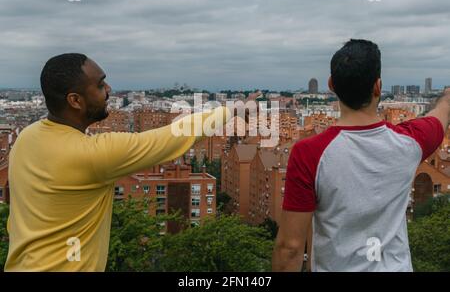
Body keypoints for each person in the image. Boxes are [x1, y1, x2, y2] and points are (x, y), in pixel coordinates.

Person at [5, 53, 232, 271]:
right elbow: (175, 137)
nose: (109, 90)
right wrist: (232, 111)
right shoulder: (92, 155)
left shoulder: (27, 137)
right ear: (75, 100)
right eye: (101, 85)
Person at [272, 39, 449, 272]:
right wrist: (446, 97)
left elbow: (290, 248)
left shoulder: (309, 154)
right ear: (378, 86)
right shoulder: (410, 142)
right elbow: (441, 113)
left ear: (331, 85)